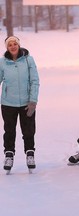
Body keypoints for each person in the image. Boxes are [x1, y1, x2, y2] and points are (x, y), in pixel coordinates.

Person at [0, 36, 40, 173]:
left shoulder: (29, 59)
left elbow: (35, 80)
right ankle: (9, 155)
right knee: (9, 131)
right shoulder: (2, 62)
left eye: (15, 44)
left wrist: (33, 101)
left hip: (26, 103)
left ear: (19, 45)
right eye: (10, 44)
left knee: (28, 130)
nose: (13, 46)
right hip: (7, 103)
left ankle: (30, 154)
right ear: (7, 47)